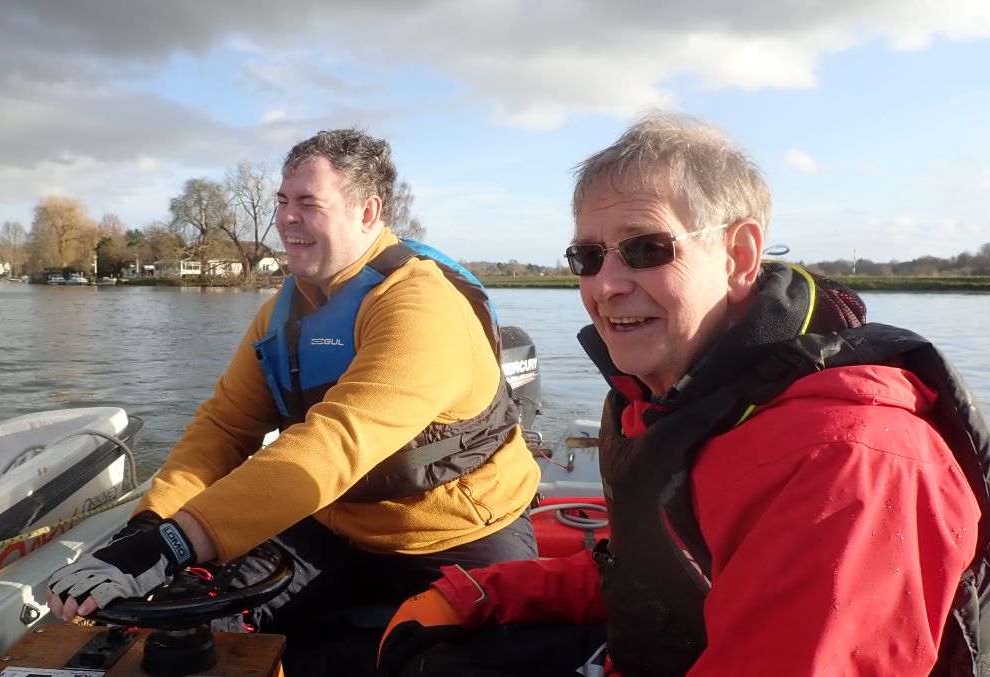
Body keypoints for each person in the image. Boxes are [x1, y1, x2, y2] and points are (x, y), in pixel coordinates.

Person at [377, 112, 990, 676]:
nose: (607, 285)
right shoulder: (673, 396)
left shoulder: (846, 462)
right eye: (587, 256)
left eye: (647, 249)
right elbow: (653, 569)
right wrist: (480, 592)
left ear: (739, 255)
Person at [48, 128, 541, 674]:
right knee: (210, 631)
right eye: (283, 202)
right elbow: (224, 428)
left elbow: (338, 441)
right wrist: (151, 524)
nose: (286, 218)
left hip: (458, 538)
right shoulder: (282, 313)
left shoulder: (421, 305)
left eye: (309, 204)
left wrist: (179, 541)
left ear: (368, 212)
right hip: (333, 528)